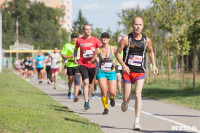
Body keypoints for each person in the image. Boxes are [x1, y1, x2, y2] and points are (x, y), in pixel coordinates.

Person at [116, 16, 158, 130]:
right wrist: (123, 65)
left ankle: (137, 122)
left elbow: (150, 52)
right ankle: (124, 102)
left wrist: (153, 65)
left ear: (142, 26)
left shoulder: (146, 40)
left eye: (140, 25)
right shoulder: (126, 38)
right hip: (128, 72)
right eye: (136, 24)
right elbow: (117, 53)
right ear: (132, 25)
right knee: (127, 98)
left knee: (138, 95)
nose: (138, 27)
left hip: (140, 71)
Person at [74, 24, 102, 110]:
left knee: (90, 85)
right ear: (84, 30)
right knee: (85, 82)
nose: (88, 31)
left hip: (92, 65)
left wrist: (97, 54)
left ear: (91, 30)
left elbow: (102, 48)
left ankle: (88, 99)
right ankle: (86, 102)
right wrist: (75, 57)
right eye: (86, 29)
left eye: (89, 29)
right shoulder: (79, 40)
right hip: (82, 64)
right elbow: (75, 49)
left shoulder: (95, 40)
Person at [91, 32, 117, 115]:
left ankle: (112, 98)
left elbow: (120, 57)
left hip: (111, 72)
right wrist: (95, 60)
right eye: (103, 37)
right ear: (101, 39)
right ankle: (106, 108)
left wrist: (116, 62)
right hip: (101, 72)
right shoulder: (97, 50)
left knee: (112, 92)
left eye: (107, 37)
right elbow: (92, 61)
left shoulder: (113, 48)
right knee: (104, 90)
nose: (105, 39)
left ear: (109, 39)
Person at [61, 33, 81, 101]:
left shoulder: (79, 45)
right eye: (73, 38)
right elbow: (63, 55)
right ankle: (70, 90)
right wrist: (70, 56)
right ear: (71, 38)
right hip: (70, 64)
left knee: (77, 80)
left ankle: (76, 95)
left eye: (76, 38)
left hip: (77, 64)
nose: (74, 39)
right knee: (70, 80)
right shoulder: (67, 45)